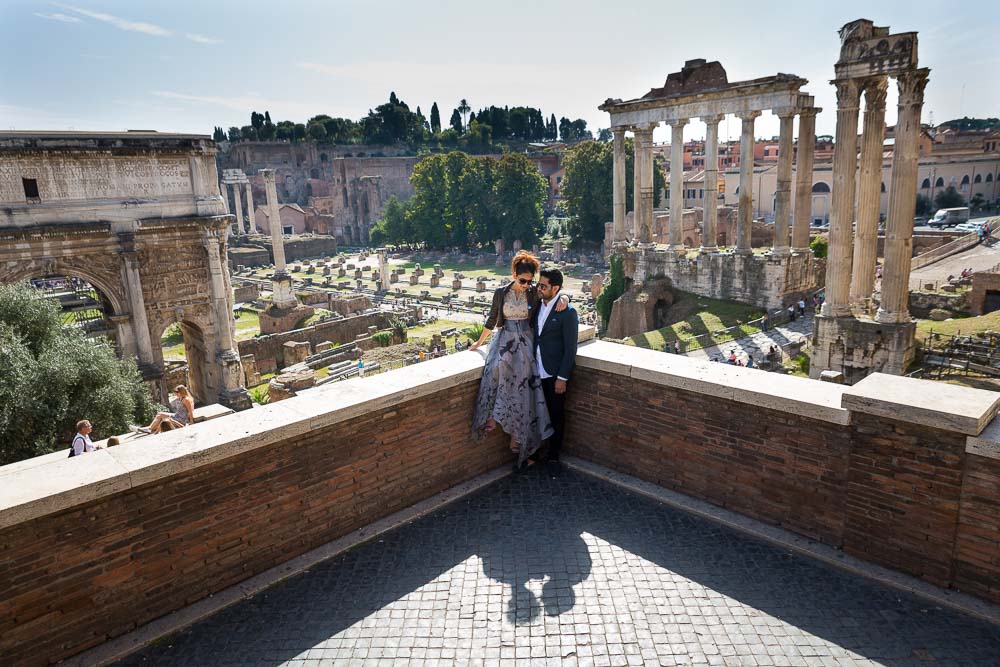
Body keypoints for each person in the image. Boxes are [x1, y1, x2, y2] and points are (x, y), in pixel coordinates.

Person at [470, 251, 567, 471]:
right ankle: (494, 418)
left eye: (529, 282)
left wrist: (564, 298)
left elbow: (553, 295)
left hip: (526, 341)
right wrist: (479, 343)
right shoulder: (500, 293)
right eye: (522, 280)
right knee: (496, 373)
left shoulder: (534, 292)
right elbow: (492, 318)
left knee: (524, 391)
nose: (526, 285)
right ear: (513, 274)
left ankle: (522, 440)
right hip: (505, 339)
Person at [533, 267, 579, 478]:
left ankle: (553, 454)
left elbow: (571, 348)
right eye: (538, 284)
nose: (538, 288)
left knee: (556, 414)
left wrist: (563, 377)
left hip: (554, 373)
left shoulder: (567, 312)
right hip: (535, 370)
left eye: (543, 286)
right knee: (535, 413)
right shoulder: (536, 304)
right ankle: (534, 451)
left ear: (556, 288)